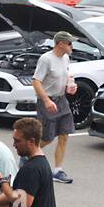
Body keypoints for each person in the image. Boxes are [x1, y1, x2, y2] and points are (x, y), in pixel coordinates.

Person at [32, 30, 77, 184]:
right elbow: (36, 81)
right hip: (47, 101)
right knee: (47, 137)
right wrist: (46, 100)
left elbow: (66, 75)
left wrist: (70, 85)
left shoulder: (66, 58)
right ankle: (27, 155)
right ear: (60, 44)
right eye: (70, 43)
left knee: (64, 134)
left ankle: (57, 171)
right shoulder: (46, 59)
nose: (72, 46)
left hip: (61, 100)